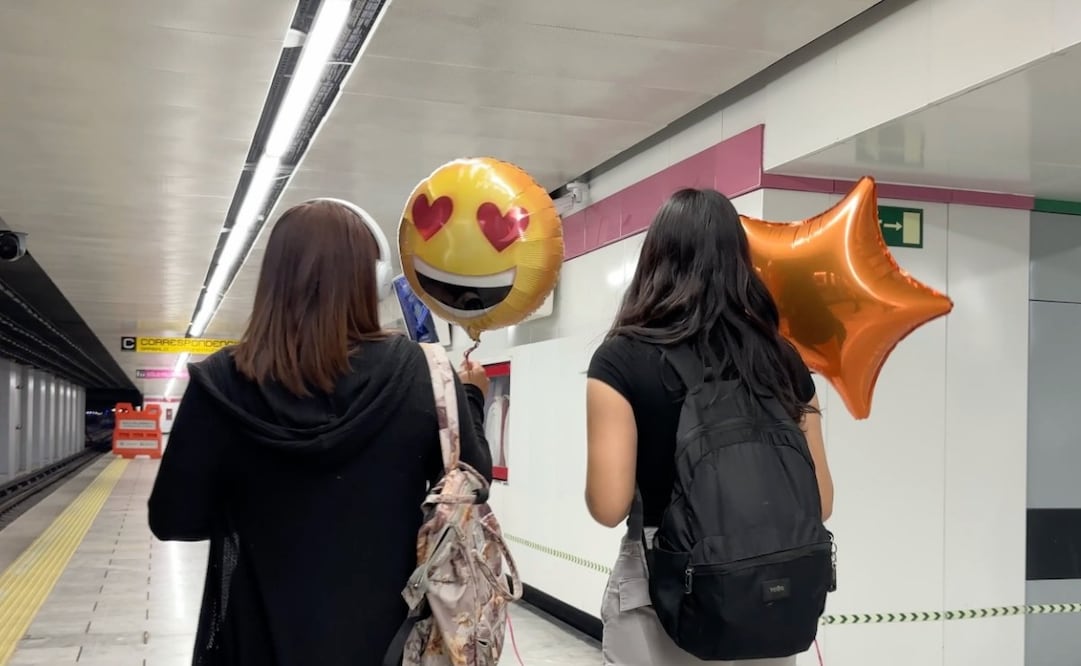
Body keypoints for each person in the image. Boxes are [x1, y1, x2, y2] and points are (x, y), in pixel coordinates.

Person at [148, 200, 493, 666]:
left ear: (272, 279)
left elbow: (173, 518)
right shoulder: (422, 372)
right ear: (370, 282)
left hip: (253, 641)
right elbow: (472, 483)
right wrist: (471, 398)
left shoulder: (219, 382)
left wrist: (257, 508)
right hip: (387, 644)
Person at [585, 189, 834, 666]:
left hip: (661, 590)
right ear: (740, 259)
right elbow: (820, 499)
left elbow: (608, 506)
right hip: (767, 593)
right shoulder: (782, 360)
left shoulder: (621, 359)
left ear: (654, 259)